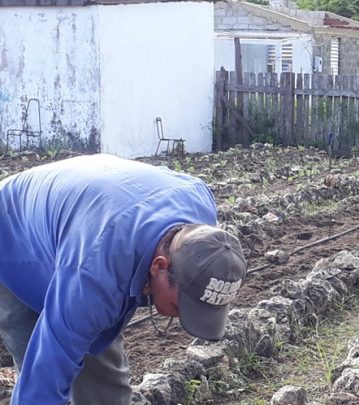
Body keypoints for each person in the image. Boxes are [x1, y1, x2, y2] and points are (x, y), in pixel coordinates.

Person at [0, 154, 248, 404]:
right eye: (179, 306)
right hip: (12, 230)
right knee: (41, 365)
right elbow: (45, 376)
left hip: (84, 227)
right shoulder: (96, 277)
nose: (179, 316)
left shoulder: (203, 220)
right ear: (159, 266)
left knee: (100, 370)